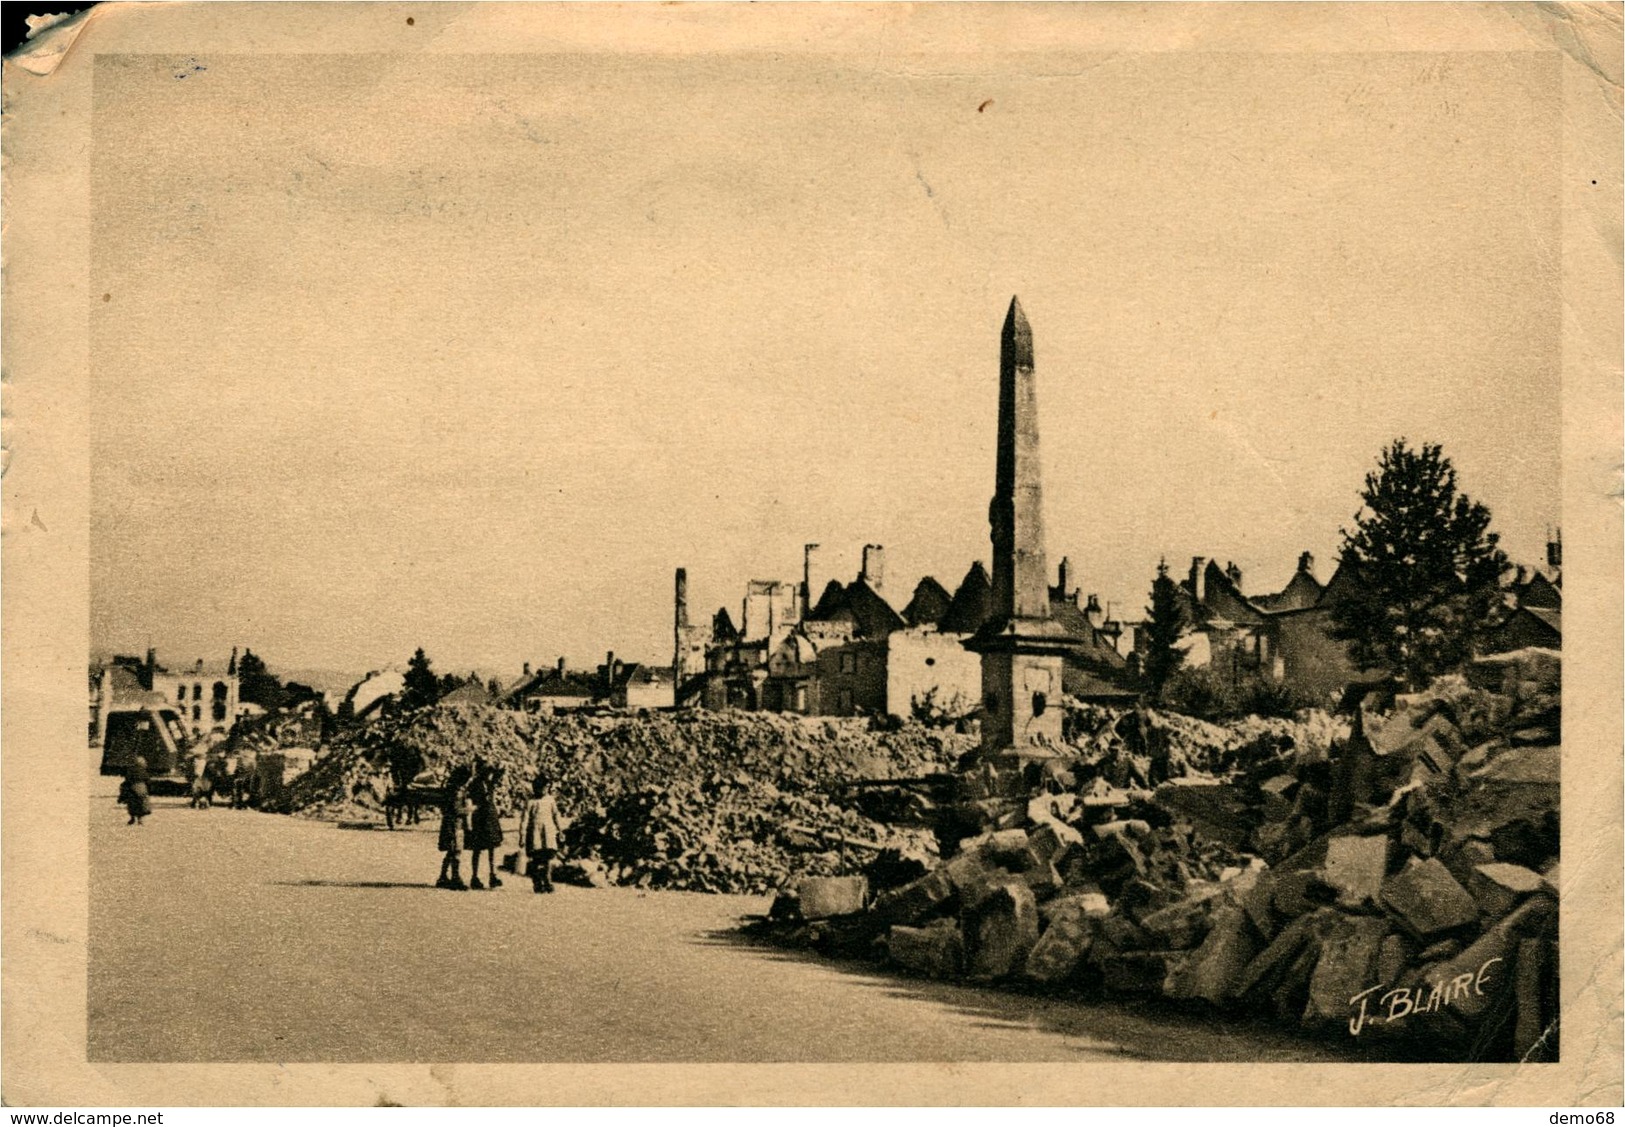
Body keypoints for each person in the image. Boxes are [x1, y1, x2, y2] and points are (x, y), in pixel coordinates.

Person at [516, 772, 563, 893]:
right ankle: (537, 883)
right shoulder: (531, 802)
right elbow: (524, 820)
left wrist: (560, 830)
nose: (544, 790)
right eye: (542, 787)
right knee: (536, 860)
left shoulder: (550, 800)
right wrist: (522, 836)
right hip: (535, 834)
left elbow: (556, 815)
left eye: (547, 788)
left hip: (548, 834)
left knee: (547, 860)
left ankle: (548, 882)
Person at [466, 759, 506, 891]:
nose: (490, 773)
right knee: (477, 849)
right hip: (481, 817)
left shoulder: (489, 782)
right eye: (488, 771)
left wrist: (501, 766)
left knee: (492, 847)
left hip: (490, 816)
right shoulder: (476, 783)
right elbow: (470, 799)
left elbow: (499, 773)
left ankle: (492, 875)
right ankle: (475, 876)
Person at [435, 763, 474, 891]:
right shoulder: (457, 792)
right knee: (456, 851)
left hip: (450, 823)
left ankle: (443, 877)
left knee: (451, 851)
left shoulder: (452, 789)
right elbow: (457, 810)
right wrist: (469, 809)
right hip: (455, 824)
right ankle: (455, 878)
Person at [119, 754, 152, 825]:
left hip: (132, 789)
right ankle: (140, 819)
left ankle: (132, 818)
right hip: (142, 789)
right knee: (141, 804)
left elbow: (127, 780)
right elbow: (147, 781)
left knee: (132, 804)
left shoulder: (130, 770)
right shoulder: (144, 771)